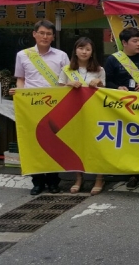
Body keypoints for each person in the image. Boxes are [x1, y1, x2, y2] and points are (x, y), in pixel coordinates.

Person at [11, 19, 69, 195]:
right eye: (42, 33)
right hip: (31, 107)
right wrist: (20, 96)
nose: (45, 36)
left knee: (53, 143)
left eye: (49, 34)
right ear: (34, 34)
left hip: (54, 106)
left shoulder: (61, 56)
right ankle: (37, 181)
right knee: (33, 144)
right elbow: (20, 79)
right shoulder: (23, 55)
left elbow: (66, 80)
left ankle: (53, 181)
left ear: (53, 37)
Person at [104, 27, 139, 190]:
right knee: (129, 139)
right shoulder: (113, 60)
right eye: (135, 41)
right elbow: (106, 81)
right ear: (124, 43)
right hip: (123, 106)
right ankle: (132, 173)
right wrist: (117, 88)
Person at [58, 37, 106, 196]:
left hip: (94, 114)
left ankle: (99, 177)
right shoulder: (66, 70)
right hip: (73, 115)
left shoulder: (99, 69)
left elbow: (106, 94)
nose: (84, 52)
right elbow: (58, 93)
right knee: (76, 146)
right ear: (75, 50)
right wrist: (68, 85)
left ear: (92, 52)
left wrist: (99, 83)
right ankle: (78, 178)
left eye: (88, 49)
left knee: (97, 145)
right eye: (81, 48)